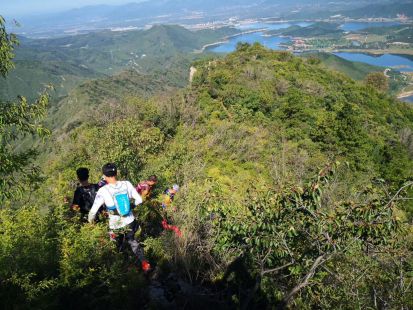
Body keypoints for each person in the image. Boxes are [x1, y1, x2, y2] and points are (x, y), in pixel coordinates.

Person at [88, 163, 151, 272]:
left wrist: (90, 222)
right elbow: (139, 200)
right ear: (116, 173)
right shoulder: (126, 184)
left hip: (115, 225)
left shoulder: (103, 191)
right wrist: (131, 206)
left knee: (115, 247)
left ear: (104, 176)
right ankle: (145, 263)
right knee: (133, 242)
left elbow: (93, 211)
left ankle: (121, 270)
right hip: (130, 221)